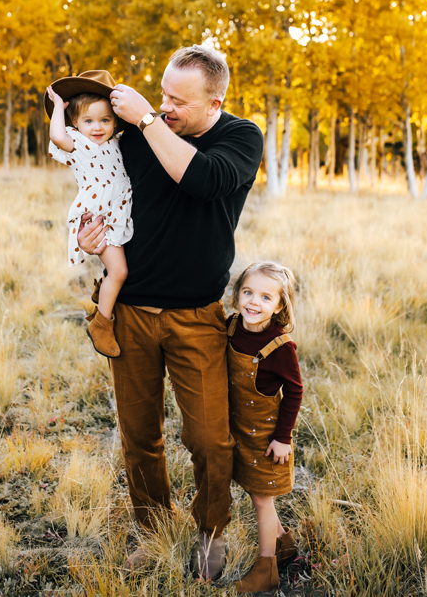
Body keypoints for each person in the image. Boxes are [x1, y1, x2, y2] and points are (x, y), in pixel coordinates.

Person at [77, 45, 264, 581]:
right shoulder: (138, 134)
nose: (167, 107)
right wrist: (96, 234)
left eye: (179, 101)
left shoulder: (240, 138)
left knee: (209, 437)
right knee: (140, 433)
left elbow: (201, 181)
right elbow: (100, 183)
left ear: (215, 102)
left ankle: (212, 532)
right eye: (162, 96)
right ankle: (153, 529)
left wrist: (149, 118)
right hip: (131, 312)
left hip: (196, 317)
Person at [44, 71, 133, 358]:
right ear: (76, 123)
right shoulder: (78, 144)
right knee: (119, 271)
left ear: (115, 121)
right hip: (99, 215)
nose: (97, 127)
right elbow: (56, 135)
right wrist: (59, 106)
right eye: (88, 120)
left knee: (120, 270)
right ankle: (101, 322)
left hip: (119, 211)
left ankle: (106, 309)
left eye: (105, 120)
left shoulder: (118, 143)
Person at [227, 261, 303, 594]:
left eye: (265, 297)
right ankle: (285, 546)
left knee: (261, 499)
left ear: (280, 306)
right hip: (236, 427)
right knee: (251, 489)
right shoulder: (230, 328)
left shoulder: (279, 346)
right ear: (237, 294)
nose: (253, 303)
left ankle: (266, 568)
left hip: (265, 434)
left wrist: (283, 438)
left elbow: (295, 391)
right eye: (248, 292)